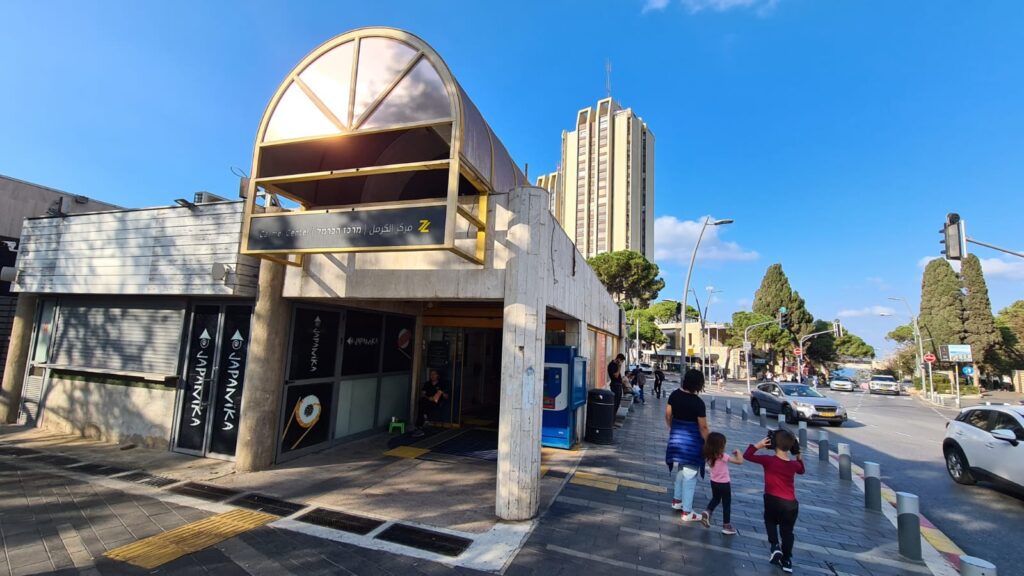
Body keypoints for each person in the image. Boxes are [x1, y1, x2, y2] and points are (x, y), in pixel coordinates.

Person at [744, 430, 805, 573]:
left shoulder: (768, 460)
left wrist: (758, 445)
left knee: (770, 522)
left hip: (772, 499)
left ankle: (775, 546)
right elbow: (802, 470)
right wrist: (798, 456)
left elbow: (747, 456)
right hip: (790, 504)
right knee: (787, 532)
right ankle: (787, 561)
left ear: (772, 444)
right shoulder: (793, 465)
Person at [665, 369, 709, 522]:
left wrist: (673, 427)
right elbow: (703, 427)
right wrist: (709, 443)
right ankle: (687, 512)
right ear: (698, 384)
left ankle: (677, 501)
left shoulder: (674, 395)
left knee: (681, 470)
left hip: (676, 440)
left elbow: (668, 415)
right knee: (690, 474)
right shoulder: (698, 403)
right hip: (692, 443)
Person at [700, 432, 743, 535]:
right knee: (726, 504)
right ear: (720, 446)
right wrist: (738, 452)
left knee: (716, 498)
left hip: (714, 482)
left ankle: (708, 511)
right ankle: (726, 526)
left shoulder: (708, 455)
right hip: (724, 484)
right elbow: (740, 461)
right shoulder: (723, 456)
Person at [413, 369, 448, 437]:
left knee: (422, 406)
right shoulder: (427, 384)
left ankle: (420, 424)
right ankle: (423, 420)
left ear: (437, 375)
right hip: (428, 400)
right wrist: (428, 398)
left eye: (434, 374)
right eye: (431, 374)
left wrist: (442, 392)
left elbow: (446, 397)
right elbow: (423, 394)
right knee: (422, 401)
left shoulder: (442, 384)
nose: (432, 376)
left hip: (437, 402)